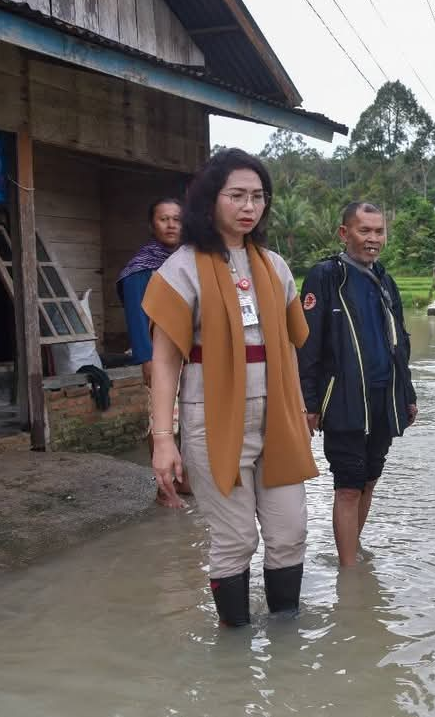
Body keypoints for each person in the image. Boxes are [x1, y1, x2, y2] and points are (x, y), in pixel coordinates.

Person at [144, 148, 318, 627]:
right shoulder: (180, 269)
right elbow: (164, 362)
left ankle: (287, 639)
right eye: (237, 195)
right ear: (209, 201)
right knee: (236, 539)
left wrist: (303, 413)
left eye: (258, 197)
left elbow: (291, 346)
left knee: (290, 531)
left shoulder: (275, 267)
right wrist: (163, 439)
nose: (249, 206)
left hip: (278, 415)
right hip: (211, 415)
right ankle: (234, 643)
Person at [298, 202, 418, 568]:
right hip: (344, 400)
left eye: (379, 231)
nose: (373, 239)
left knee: (369, 479)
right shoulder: (325, 277)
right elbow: (307, 343)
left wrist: (407, 395)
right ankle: (349, 572)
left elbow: (400, 342)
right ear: (344, 233)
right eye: (364, 231)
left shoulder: (384, 279)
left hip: (383, 398)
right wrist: (310, 402)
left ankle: (352, 548)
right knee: (348, 484)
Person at [116, 197, 191, 508]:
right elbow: (137, 317)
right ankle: (165, 491)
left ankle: (183, 480)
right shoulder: (141, 269)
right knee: (161, 422)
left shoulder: (189, 262)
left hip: (190, 355)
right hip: (160, 357)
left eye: (177, 219)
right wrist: (147, 359)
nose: (171, 225)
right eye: (164, 219)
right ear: (152, 224)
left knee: (188, 418)